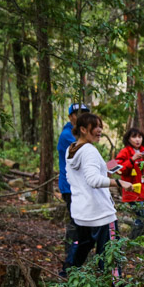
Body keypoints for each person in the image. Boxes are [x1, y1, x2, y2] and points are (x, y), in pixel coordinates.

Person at [65, 113, 132, 275]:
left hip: (82, 213)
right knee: (111, 255)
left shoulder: (72, 149)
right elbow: (94, 179)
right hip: (101, 214)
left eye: (100, 126)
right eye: (95, 127)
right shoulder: (89, 151)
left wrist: (127, 161)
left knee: (81, 248)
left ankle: (70, 278)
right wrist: (118, 182)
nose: (99, 130)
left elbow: (102, 169)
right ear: (82, 129)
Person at [57, 103, 90, 274]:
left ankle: (74, 264)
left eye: (85, 113)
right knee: (77, 225)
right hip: (71, 188)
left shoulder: (76, 134)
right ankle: (68, 266)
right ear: (71, 117)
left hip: (78, 187)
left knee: (82, 225)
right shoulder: (68, 136)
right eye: (78, 113)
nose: (82, 116)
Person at [115, 128, 144, 239]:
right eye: (134, 137)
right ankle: (132, 242)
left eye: (139, 137)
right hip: (132, 192)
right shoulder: (124, 152)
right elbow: (119, 170)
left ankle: (135, 243)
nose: (137, 140)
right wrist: (132, 159)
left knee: (140, 220)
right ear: (128, 139)